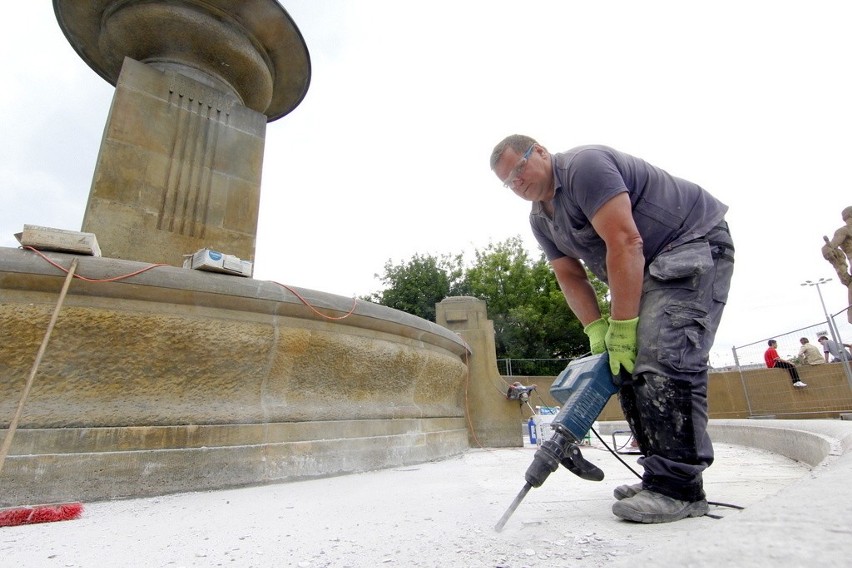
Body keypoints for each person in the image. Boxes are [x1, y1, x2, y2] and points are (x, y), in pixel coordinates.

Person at [490, 137, 735, 524]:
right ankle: (660, 476)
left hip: (689, 241)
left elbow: (625, 240)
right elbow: (569, 276)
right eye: (509, 182)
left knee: (662, 354)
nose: (517, 182)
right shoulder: (541, 219)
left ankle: (681, 489)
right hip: (644, 267)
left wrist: (623, 327)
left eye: (519, 169)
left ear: (539, 150)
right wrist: (596, 328)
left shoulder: (584, 168)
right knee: (624, 368)